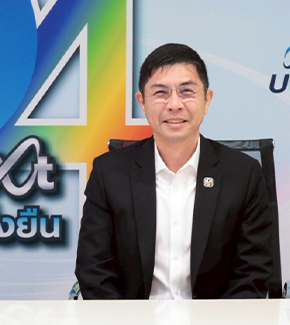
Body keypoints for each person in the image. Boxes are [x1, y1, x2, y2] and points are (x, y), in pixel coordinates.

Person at [75, 43, 275, 299]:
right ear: (142, 102)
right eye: (160, 93)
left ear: (207, 100)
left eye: (186, 91)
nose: (174, 104)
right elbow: (94, 272)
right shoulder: (109, 173)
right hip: (133, 319)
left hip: (215, 319)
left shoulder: (243, 174)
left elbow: (253, 275)